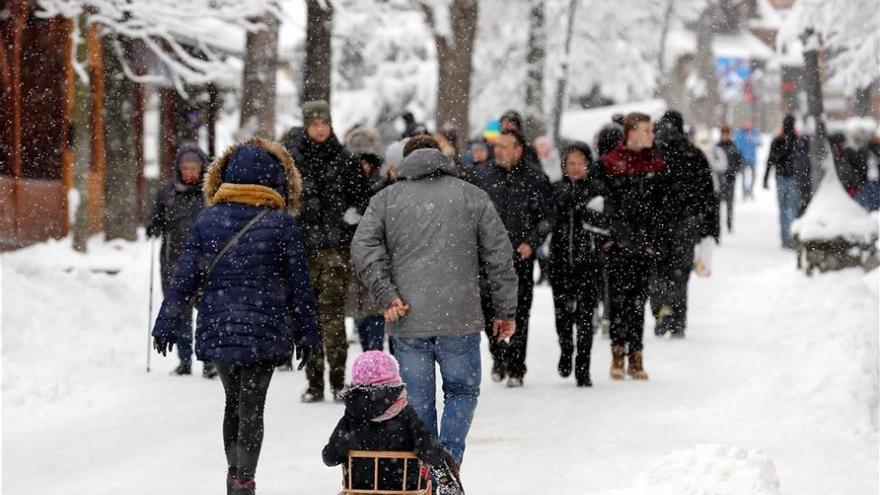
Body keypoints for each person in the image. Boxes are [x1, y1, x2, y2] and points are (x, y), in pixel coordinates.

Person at [152, 138, 320, 495]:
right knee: (253, 406)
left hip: (220, 324)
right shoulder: (281, 224)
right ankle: (244, 482)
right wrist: (308, 332)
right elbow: (299, 285)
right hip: (265, 327)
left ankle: (234, 476)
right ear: (273, 180)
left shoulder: (208, 220)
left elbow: (184, 277)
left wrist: (167, 321)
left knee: (233, 402)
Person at [350, 137, 518, 467]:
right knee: (462, 391)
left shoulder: (386, 200)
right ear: (442, 159)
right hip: (460, 314)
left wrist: (386, 293)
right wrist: (504, 310)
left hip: (408, 316)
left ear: (405, 161)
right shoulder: (472, 196)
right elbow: (500, 256)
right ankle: (449, 458)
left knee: (418, 399)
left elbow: (363, 248)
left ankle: (428, 467)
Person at [282, 100, 372, 402]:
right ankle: (313, 381)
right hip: (304, 249)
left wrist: (352, 215)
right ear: (306, 126)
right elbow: (285, 199)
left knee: (332, 316)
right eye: (315, 124)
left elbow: (363, 197)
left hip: (335, 249)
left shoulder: (345, 159)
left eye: (325, 123)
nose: (320, 129)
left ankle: (336, 380)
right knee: (307, 317)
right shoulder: (294, 161)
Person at [470, 129, 555, 387]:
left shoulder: (535, 178)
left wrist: (531, 242)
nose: (498, 151)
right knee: (488, 310)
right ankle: (499, 355)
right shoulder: (481, 176)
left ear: (519, 150)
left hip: (520, 256)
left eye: (505, 147)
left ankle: (517, 366)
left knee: (519, 311)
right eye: (497, 146)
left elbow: (549, 216)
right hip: (487, 257)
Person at [323, 351, 463, 494]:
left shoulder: (351, 417)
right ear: (394, 380)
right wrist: (445, 470)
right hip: (403, 488)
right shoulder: (406, 415)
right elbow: (428, 450)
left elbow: (330, 457)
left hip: (361, 489)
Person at [596, 112, 666, 380]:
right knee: (618, 299)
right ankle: (617, 352)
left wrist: (656, 238)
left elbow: (663, 206)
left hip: (644, 244)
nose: (651, 135)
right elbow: (601, 203)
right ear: (631, 133)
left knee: (639, 301)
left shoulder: (656, 163)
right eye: (646, 130)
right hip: (617, 244)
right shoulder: (610, 163)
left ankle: (637, 355)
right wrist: (610, 235)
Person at [145, 142, 214, 378]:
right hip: (174, 259)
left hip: (205, 261)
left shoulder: (210, 192)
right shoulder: (168, 192)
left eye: (194, 167)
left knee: (207, 311)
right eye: (185, 167)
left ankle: (209, 361)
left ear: (202, 168)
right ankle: (184, 360)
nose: (190, 172)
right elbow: (156, 216)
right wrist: (152, 226)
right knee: (181, 312)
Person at [652, 111, 718, 338]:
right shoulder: (695, 155)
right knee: (680, 272)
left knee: (658, 269)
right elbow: (709, 195)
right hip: (687, 223)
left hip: (657, 223)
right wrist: (710, 228)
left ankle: (662, 309)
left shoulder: (652, 155)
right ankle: (678, 318)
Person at [548, 142, 607, 387]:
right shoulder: (555, 189)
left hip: (588, 264)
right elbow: (549, 218)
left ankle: (583, 366)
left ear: (587, 165)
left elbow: (604, 223)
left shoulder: (596, 190)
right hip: (560, 261)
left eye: (579, 163)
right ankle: (565, 349)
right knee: (562, 315)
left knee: (585, 317)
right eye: (570, 163)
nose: (574, 168)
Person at [344, 127, 388, 352]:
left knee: (374, 305)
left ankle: (375, 351)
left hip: (375, 250)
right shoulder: (347, 181)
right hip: (354, 250)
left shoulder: (381, 184)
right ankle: (369, 351)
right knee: (360, 307)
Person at [764, 115, 802, 249]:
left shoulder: (778, 140)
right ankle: (790, 237)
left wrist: (765, 178)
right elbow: (802, 161)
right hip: (792, 177)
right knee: (792, 208)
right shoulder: (798, 140)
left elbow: (770, 160)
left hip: (782, 177)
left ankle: (785, 238)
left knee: (784, 209)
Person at [716, 125, 745, 233]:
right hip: (719, 181)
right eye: (723, 134)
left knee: (729, 204)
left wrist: (733, 170)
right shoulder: (717, 147)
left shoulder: (734, 147)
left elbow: (740, 162)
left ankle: (729, 224)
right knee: (717, 205)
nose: (725, 136)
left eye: (727, 134)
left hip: (731, 179)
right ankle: (717, 226)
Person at [733, 121, 760, 199]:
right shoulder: (739, 133)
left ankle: (750, 190)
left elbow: (759, 142)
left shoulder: (754, 132)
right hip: (743, 158)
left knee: (754, 176)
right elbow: (736, 144)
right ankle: (744, 193)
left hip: (752, 158)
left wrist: (752, 139)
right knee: (744, 176)